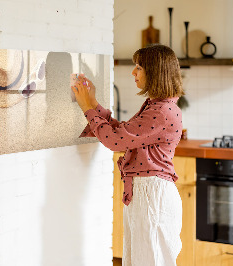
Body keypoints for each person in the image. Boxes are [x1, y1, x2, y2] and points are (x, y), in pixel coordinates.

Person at [72, 44, 184, 266]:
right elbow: (123, 133)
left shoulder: (161, 111)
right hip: (147, 193)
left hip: (152, 195)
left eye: (139, 67)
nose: (133, 72)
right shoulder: (157, 106)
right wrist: (93, 103)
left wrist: (87, 108)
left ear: (155, 72)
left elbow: (115, 141)